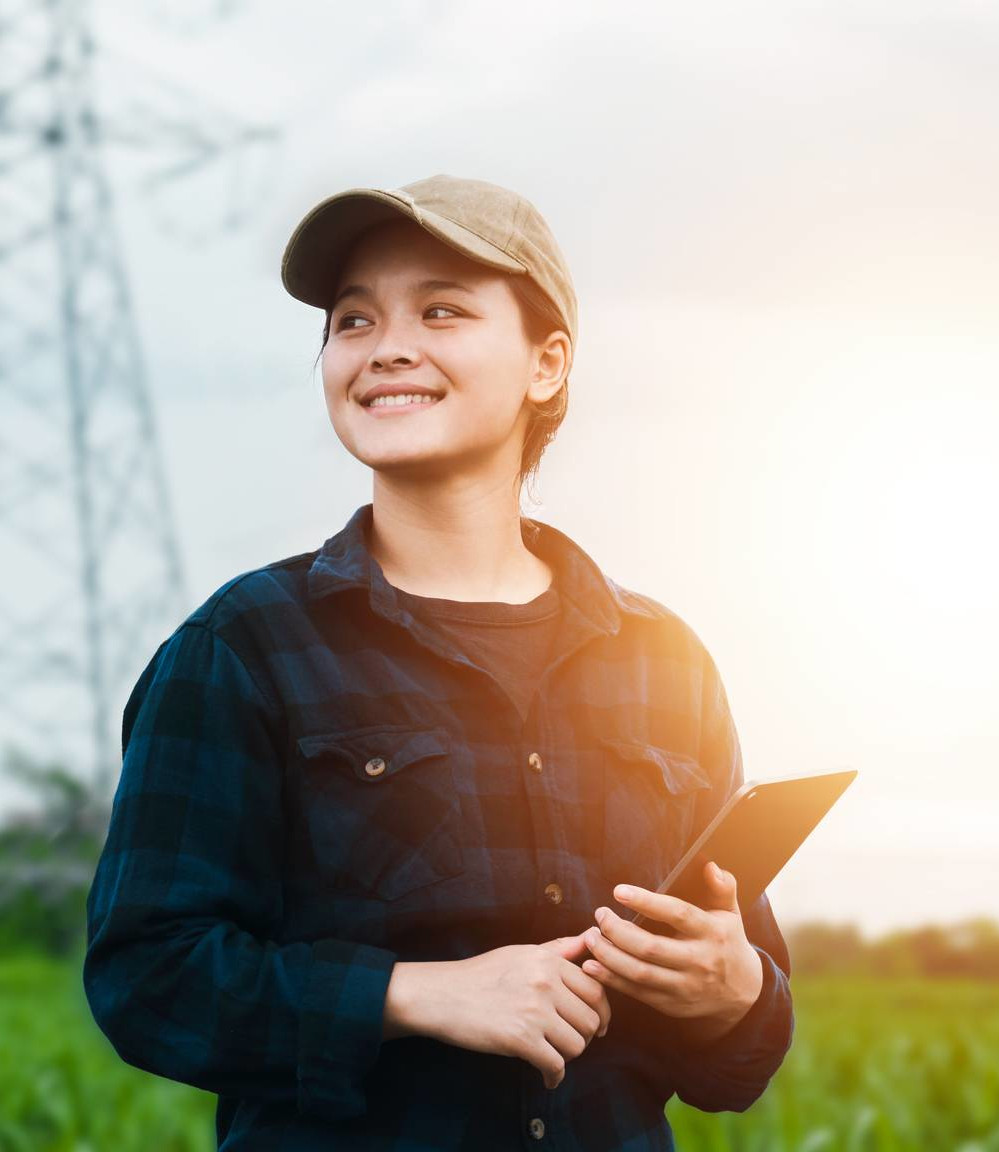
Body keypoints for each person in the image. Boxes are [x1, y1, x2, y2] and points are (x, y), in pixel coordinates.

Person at [83, 174, 794, 1151]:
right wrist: (415, 995)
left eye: (442, 310)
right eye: (352, 321)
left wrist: (734, 991)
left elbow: (740, 1060)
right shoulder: (242, 649)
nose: (386, 349)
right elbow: (147, 978)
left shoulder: (664, 662)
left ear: (547, 366)